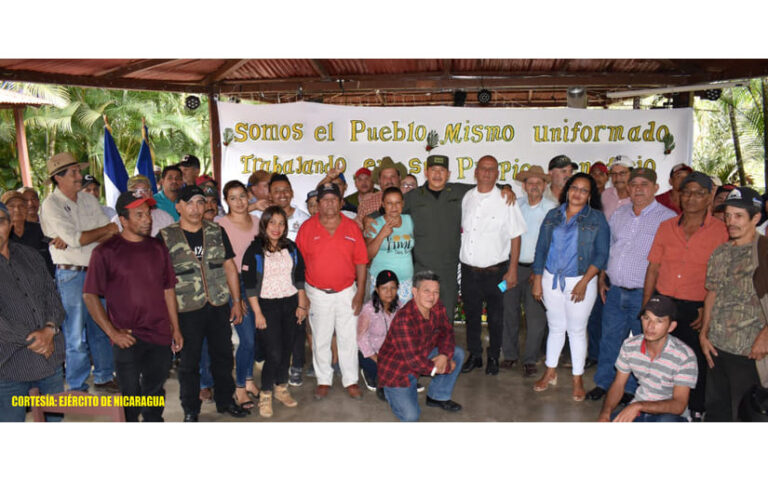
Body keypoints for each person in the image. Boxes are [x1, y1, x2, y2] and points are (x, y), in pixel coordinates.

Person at [83, 191, 183, 422]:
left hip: (158, 333)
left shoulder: (158, 249)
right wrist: (112, 333)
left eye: (148, 213)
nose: (147, 219)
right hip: (126, 336)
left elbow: (168, 289)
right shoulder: (105, 252)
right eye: (139, 215)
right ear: (123, 220)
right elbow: (89, 295)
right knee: (130, 397)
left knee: (154, 391)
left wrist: (175, 328)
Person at [643, 171, 728, 421]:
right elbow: (654, 267)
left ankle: (696, 408)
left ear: (709, 197)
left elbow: (723, 278)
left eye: (699, 193)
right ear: (679, 196)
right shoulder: (666, 227)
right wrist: (647, 305)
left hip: (698, 308)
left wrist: (708, 310)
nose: (691, 198)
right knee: (662, 357)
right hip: (665, 303)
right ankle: (662, 404)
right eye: (686, 192)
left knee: (696, 360)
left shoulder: (721, 231)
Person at [158, 185, 247, 421]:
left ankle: (226, 401)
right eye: (189, 203)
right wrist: (171, 321)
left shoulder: (216, 230)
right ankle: (190, 409)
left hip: (218, 305)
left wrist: (236, 301)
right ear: (178, 207)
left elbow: (229, 266)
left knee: (224, 356)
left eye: (200, 202)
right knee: (188, 363)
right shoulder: (166, 236)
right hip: (186, 309)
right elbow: (163, 282)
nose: (196, 208)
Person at [587, 168, 676, 402]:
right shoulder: (620, 213)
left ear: (656, 188)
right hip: (615, 290)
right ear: (628, 188)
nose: (638, 188)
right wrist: (602, 277)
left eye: (644, 184)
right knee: (609, 339)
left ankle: (634, 390)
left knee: (643, 342)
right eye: (634, 184)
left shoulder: (666, 218)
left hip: (644, 293)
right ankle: (604, 383)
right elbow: (610, 246)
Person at [40, 152, 118, 393]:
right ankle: (76, 384)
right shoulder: (50, 205)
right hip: (71, 275)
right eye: (73, 172)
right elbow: (78, 238)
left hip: (96, 270)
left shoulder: (88, 200)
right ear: (58, 178)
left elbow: (109, 232)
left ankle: (105, 375)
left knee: (101, 327)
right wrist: (98, 232)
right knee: (74, 333)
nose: (78, 176)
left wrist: (87, 236)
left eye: (77, 171)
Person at [401, 154, 513, 321]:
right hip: (422, 267)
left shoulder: (459, 191)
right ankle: (423, 347)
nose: (437, 174)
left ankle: (444, 347)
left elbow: (486, 185)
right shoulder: (413, 196)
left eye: (442, 170)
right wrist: (369, 217)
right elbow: (390, 210)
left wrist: (506, 187)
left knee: (446, 314)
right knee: (421, 314)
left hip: (449, 269)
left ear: (449, 174)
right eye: (433, 170)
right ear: (426, 172)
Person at [531, 172, 609, 401]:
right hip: (550, 278)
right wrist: (537, 279)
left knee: (576, 330)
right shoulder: (552, 215)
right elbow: (541, 250)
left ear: (589, 195)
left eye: (584, 190)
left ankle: (577, 379)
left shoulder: (597, 219)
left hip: (580, 281)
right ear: (567, 189)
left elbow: (602, 254)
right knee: (555, 327)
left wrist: (585, 282)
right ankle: (550, 372)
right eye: (574, 187)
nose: (577, 193)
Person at [700, 187, 768, 421]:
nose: (730, 222)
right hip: (717, 348)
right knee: (717, 412)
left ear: (756, 218)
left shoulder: (764, 251)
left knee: (746, 415)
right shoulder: (720, 252)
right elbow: (712, 293)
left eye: (738, 216)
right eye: (728, 215)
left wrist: (765, 337)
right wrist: (704, 332)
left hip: (749, 352)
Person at [295, 182, 368, 400]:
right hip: (316, 293)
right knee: (321, 339)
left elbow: (361, 262)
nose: (329, 203)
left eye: (333, 199)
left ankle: (350, 380)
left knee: (348, 339)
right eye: (324, 199)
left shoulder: (352, 227)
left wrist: (360, 292)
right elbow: (299, 264)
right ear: (318, 203)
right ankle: (324, 380)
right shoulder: (307, 228)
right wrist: (303, 295)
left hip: (347, 291)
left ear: (340, 202)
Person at [459, 155, 526, 376]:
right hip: (469, 273)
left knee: (497, 316)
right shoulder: (467, 197)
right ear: (475, 172)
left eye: (492, 169)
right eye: (483, 168)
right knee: (472, 315)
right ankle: (476, 355)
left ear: (497, 174)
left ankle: (494, 356)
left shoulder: (506, 199)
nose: (487, 173)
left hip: (497, 274)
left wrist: (513, 269)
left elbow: (516, 236)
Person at [0, 201, 66, 422]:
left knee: (54, 422)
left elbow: (53, 297)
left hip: (50, 359)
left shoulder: (30, 255)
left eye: (0, 222)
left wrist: (49, 330)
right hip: (8, 365)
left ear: (9, 224)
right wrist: (35, 340)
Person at [242, 206, 309, 417]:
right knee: (274, 353)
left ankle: (281, 388)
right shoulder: (254, 250)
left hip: (290, 304)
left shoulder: (291, 247)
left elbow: (299, 276)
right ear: (264, 224)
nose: (277, 228)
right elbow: (250, 286)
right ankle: (266, 394)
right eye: (272, 222)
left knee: (287, 349)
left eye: (281, 223)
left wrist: (301, 304)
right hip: (267, 306)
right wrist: (258, 313)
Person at [377, 270, 465, 421]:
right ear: (414, 292)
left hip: (422, 355)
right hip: (398, 371)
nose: (432, 297)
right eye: (426, 291)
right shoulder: (404, 319)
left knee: (457, 353)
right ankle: (387, 390)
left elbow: (446, 332)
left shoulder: (437, 307)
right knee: (411, 417)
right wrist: (443, 367)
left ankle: (437, 397)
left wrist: (444, 356)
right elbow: (413, 361)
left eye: (436, 292)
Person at [597, 295, 697, 422]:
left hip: (670, 415)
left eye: (659, 321)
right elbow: (618, 385)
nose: (650, 326)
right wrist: (605, 413)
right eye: (646, 318)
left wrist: (639, 406)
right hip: (639, 408)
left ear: (671, 327)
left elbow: (679, 405)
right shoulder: (630, 345)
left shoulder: (684, 356)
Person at [503, 166, 557, 376]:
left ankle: (530, 359)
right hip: (513, 267)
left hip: (539, 271)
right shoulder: (515, 205)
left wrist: (541, 271)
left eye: (538, 183)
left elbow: (556, 244)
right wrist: (510, 269)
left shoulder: (553, 209)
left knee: (536, 318)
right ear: (523, 186)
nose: (534, 186)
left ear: (545, 186)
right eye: (530, 183)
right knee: (509, 311)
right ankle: (509, 355)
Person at [216, 180, 261, 409]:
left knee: (254, 337)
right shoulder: (220, 225)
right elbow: (226, 265)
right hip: (236, 286)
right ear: (226, 202)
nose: (239, 202)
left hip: (257, 285)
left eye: (242, 196)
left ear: (248, 196)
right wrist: (237, 297)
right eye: (232, 198)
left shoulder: (256, 221)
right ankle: (240, 388)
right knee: (247, 339)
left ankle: (250, 380)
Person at [267, 174, 312, 387]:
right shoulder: (263, 217)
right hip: (273, 283)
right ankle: (278, 367)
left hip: (298, 280)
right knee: (276, 328)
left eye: (286, 190)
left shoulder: (303, 218)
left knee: (298, 323)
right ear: (270, 195)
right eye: (277, 191)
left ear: (292, 192)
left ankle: (297, 366)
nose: (282, 194)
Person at [364, 187, 415, 304]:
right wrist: (382, 234)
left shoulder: (410, 221)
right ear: (383, 204)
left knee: (403, 321)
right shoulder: (375, 223)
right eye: (389, 203)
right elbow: (367, 255)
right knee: (382, 320)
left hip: (405, 282)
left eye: (397, 203)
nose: (394, 207)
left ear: (403, 204)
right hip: (382, 283)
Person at [357, 270, 401, 396]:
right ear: (377, 289)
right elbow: (361, 339)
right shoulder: (368, 310)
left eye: (393, 288)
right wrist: (378, 359)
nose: (389, 292)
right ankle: (369, 372)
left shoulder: (399, 307)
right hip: (371, 354)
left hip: (391, 354)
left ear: (398, 289)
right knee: (386, 375)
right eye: (384, 288)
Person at [1, 190, 54, 276]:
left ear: (26, 209)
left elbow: (53, 250)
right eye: (11, 206)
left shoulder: (40, 229)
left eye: (21, 205)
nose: (17, 209)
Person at [356, 156, 407, 225]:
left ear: (399, 178)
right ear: (379, 180)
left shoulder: (410, 198)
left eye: (393, 176)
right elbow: (357, 228)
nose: (389, 181)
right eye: (385, 177)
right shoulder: (367, 203)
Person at [601, 155, 633, 220]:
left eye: (622, 173)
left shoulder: (639, 198)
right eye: (614, 173)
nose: (617, 177)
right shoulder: (605, 194)